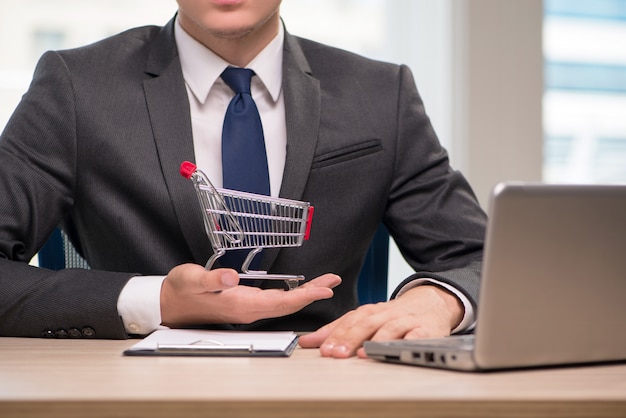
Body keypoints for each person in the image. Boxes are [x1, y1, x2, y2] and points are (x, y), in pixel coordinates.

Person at [0, 0, 486, 359]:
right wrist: (157, 301)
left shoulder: (381, 93)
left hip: (329, 378)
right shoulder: (77, 85)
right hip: (132, 387)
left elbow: (481, 256)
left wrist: (439, 299)